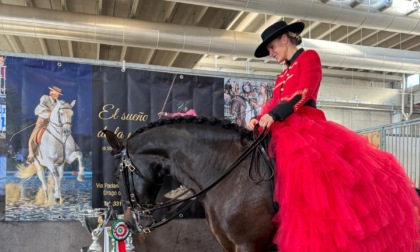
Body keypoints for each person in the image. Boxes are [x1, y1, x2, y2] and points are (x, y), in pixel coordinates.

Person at [248, 21, 420, 251]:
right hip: (282, 126)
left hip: (306, 127)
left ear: (284, 39)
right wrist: (259, 118)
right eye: (269, 51)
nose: (271, 53)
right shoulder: (281, 76)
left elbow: (304, 91)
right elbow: (273, 104)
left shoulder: (309, 58)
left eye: (271, 48)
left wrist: (275, 115)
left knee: (313, 182)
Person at [27, 85, 63, 163]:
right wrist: (49, 112)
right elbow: (41, 106)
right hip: (43, 120)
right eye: (55, 93)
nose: (56, 95)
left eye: (58, 94)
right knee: (33, 137)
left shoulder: (58, 103)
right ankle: (31, 155)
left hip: (52, 122)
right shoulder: (45, 98)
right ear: (51, 92)